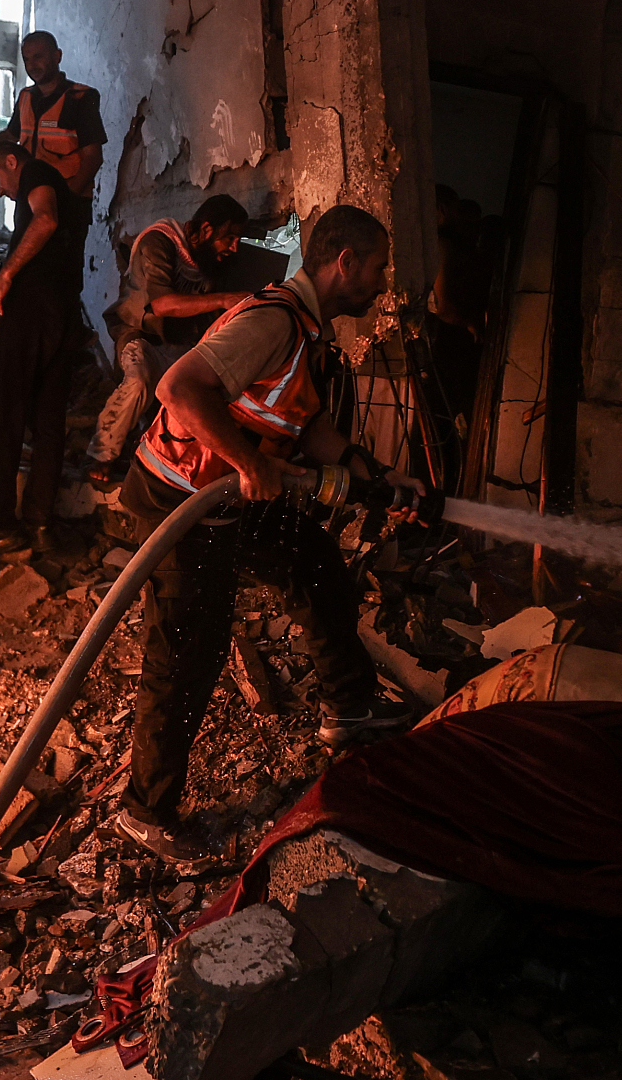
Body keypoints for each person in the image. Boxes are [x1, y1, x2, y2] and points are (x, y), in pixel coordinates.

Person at [113, 205, 421, 860]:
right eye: (379, 266)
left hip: (232, 491)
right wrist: (251, 464)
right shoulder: (271, 320)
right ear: (346, 264)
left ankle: (350, 706)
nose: (383, 279)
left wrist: (376, 472)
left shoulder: (308, 329)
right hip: (181, 493)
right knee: (190, 648)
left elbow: (304, 424)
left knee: (312, 559)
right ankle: (145, 810)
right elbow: (178, 386)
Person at [0, 142, 88, 554]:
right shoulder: (59, 190)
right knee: (48, 421)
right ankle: (39, 523)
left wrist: (5, 277)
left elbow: (46, 219)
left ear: (13, 162)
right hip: (64, 314)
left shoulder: (36, 173)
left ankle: (0, 523)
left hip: (33, 311)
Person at [87, 194, 251, 489]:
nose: (234, 247)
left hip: (182, 345)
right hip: (140, 337)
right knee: (139, 381)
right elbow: (162, 305)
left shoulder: (213, 263)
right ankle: (102, 455)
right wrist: (224, 299)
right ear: (204, 230)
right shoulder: (159, 242)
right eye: (229, 238)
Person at [0, 31, 107, 224]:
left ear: (57, 56)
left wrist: (67, 199)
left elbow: (93, 157)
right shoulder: (26, 97)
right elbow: (10, 135)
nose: (32, 65)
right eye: (27, 59)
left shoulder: (80, 98)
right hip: (30, 199)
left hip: (69, 204)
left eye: (38, 57)